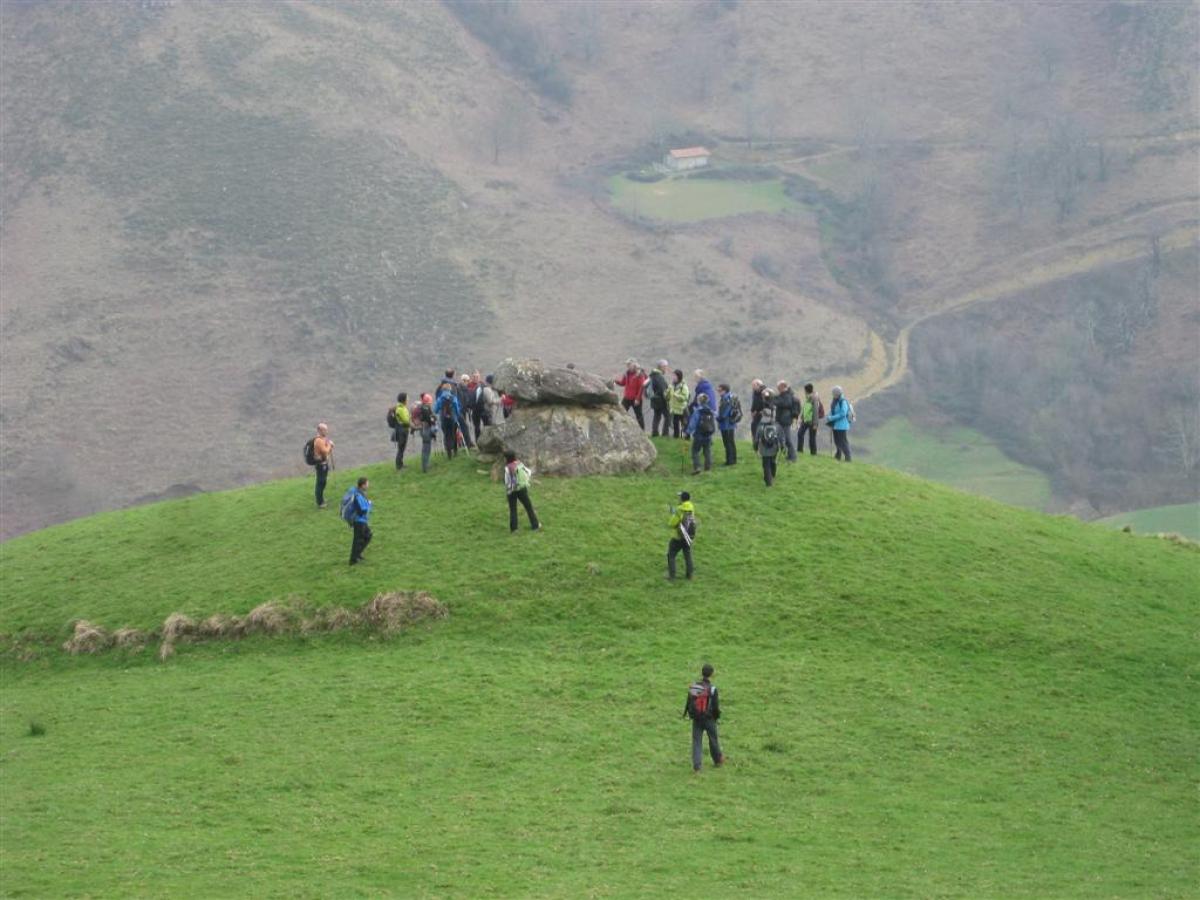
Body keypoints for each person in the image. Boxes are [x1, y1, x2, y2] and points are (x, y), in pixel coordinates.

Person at [682, 663, 723, 772]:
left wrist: (687, 713)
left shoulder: (694, 686)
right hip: (709, 719)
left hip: (696, 719)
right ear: (711, 674)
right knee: (713, 739)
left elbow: (688, 702)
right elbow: (715, 706)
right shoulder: (713, 689)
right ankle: (717, 760)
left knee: (696, 742)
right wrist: (716, 717)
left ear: (702, 673)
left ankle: (697, 765)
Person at [504, 451, 541, 532]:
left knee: (513, 509)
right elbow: (528, 472)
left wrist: (508, 490)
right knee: (529, 507)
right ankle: (535, 526)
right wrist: (525, 480)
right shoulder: (519, 464)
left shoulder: (507, 468)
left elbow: (507, 481)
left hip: (512, 491)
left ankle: (514, 529)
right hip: (522, 489)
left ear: (506, 458)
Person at [666, 490, 696, 580]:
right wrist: (675, 511)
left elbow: (671, 523)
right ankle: (689, 575)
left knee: (671, 555)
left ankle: (672, 576)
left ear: (682, 499)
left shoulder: (679, 510)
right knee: (687, 554)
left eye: (679, 497)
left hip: (678, 537)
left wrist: (674, 514)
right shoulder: (691, 507)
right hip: (688, 536)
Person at [685, 394, 716, 474]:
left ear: (699, 401)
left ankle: (697, 467)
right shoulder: (710, 411)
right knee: (707, 451)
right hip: (708, 435)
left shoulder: (698, 411)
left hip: (699, 435)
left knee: (695, 451)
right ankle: (708, 468)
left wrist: (688, 433)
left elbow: (693, 423)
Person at [615, 359, 648, 430]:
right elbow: (623, 383)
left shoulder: (640, 374)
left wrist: (638, 399)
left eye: (629, 365)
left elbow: (641, 387)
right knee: (621, 412)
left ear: (634, 365)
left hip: (636, 399)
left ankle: (642, 431)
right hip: (627, 398)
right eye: (627, 365)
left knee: (639, 415)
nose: (628, 367)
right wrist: (616, 381)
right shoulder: (627, 373)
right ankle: (621, 429)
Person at [347, 476, 372, 565]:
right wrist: (369, 504)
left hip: (361, 521)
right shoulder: (358, 496)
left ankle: (357, 554)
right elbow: (361, 511)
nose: (368, 485)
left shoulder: (358, 492)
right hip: (359, 521)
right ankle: (353, 560)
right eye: (367, 483)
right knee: (359, 540)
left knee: (367, 536)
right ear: (362, 485)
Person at [774, 381, 801, 462]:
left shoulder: (787, 395)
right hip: (782, 419)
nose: (777, 389)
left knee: (788, 439)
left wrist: (776, 401)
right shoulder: (784, 395)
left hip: (785, 420)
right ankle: (789, 455)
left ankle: (793, 457)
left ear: (782, 387)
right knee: (782, 438)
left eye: (778, 387)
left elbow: (786, 403)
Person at [758, 394, 781, 486]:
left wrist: (755, 446)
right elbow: (781, 433)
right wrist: (782, 445)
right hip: (774, 444)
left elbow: (758, 434)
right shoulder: (776, 421)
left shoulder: (762, 423)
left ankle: (768, 482)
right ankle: (773, 474)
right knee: (772, 461)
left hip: (764, 445)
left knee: (765, 464)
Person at [827, 385, 854, 462]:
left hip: (842, 425)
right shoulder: (835, 401)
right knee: (837, 441)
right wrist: (829, 415)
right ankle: (838, 455)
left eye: (833, 393)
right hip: (836, 425)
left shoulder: (843, 401)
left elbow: (843, 413)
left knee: (843, 442)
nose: (833, 395)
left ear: (837, 394)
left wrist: (832, 418)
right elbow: (833, 410)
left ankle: (848, 458)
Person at [716, 383, 741, 466]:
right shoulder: (732, 397)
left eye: (719, 390)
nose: (718, 392)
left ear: (724, 390)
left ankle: (729, 461)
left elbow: (724, 414)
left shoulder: (726, 399)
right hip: (731, 423)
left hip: (726, 424)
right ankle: (733, 459)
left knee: (727, 443)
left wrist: (717, 417)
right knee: (731, 442)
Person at [435, 385, 461, 458]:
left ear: (443, 390)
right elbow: (457, 409)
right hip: (453, 419)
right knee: (454, 434)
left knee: (447, 436)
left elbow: (435, 410)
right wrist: (457, 416)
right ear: (450, 389)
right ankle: (455, 451)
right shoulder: (453, 398)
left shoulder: (440, 399)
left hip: (444, 420)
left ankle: (449, 453)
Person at [312, 423, 334, 508]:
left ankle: (321, 499)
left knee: (323, 482)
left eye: (326, 429)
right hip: (320, 465)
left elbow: (326, 451)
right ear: (320, 430)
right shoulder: (319, 440)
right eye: (325, 430)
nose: (326, 431)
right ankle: (320, 502)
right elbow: (325, 451)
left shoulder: (322, 439)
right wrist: (330, 445)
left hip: (324, 463)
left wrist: (329, 446)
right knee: (320, 482)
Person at [798, 383, 823, 456]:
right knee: (800, 434)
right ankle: (800, 450)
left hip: (812, 421)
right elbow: (805, 408)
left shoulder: (814, 398)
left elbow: (815, 411)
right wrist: (802, 417)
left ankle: (813, 453)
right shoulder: (808, 398)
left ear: (806, 390)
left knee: (812, 438)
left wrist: (815, 424)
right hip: (806, 420)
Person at [416, 393, 437, 472]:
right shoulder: (426, 408)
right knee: (426, 449)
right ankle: (425, 467)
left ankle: (425, 465)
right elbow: (431, 419)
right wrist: (434, 418)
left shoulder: (420, 407)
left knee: (424, 448)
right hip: (427, 429)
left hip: (422, 429)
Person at [390, 393, 411, 470]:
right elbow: (405, 420)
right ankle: (399, 466)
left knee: (402, 447)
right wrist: (409, 419)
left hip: (403, 429)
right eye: (407, 398)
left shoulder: (402, 407)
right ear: (403, 399)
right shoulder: (400, 409)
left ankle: (401, 464)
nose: (408, 399)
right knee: (401, 447)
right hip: (402, 430)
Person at [668, 369, 690, 438]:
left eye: (674, 376)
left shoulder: (684, 386)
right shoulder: (671, 386)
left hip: (682, 409)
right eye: (673, 375)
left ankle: (687, 437)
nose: (673, 377)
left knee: (685, 423)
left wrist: (676, 396)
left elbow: (685, 397)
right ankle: (676, 437)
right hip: (674, 409)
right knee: (675, 424)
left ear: (679, 376)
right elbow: (669, 395)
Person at [749, 379, 766, 446]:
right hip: (756, 413)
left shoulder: (765, 392)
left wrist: (759, 410)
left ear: (759, 385)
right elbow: (754, 402)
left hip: (763, 413)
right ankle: (755, 442)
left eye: (754, 385)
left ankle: (763, 443)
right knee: (754, 426)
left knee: (762, 428)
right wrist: (752, 411)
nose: (752, 387)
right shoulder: (755, 392)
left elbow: (765, 403)